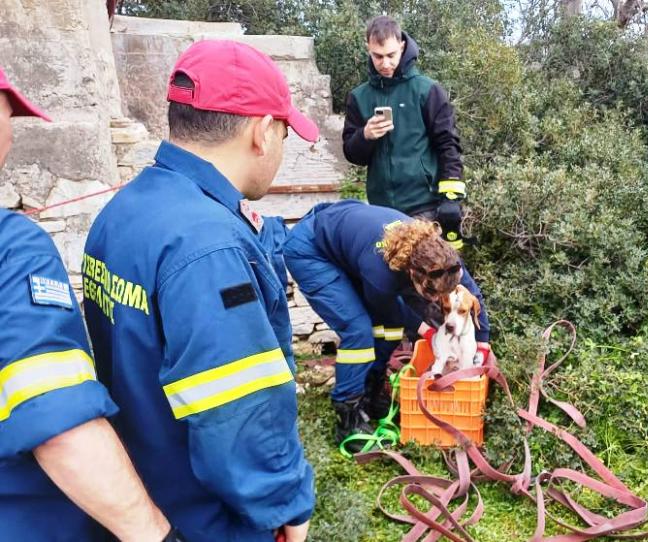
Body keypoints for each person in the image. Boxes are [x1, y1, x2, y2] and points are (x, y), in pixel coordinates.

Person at [82, 41, 316, 541]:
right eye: (285, 133)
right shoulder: (209, 246)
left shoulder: (122, 212)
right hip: (207, 517)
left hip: (141, 494)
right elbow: (237, 410)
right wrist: (286, 507)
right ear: (262, 131)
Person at [0, 66, 177, 541]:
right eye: (8, 116)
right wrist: (155, 534)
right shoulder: (12, 247)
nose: (12, 137)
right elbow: (56, 418)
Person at [282, 200, 491, 450]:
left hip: (348, 239)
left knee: (390, 331)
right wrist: (428, 331)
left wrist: (482, 342)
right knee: (358, 330)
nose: (436, 301)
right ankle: (348, 413)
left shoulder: (444, 259)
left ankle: (371, 391)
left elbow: (472, 294)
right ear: (413, 273)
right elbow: (389, 309)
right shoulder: (381, 273)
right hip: (311, 250)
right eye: (431, 294)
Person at [341, 15, 467, 249]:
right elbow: (352, 154)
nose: (385, 63)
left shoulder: (427, 90)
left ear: (402, 47)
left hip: (425, 206)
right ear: (367, 47)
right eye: (378, 56)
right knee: (390, 281)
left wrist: (451, 199)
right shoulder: (359, 97)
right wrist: (365, 136)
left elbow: (448, 144)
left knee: (430, 280)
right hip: (382, 211)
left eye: (391, 55)